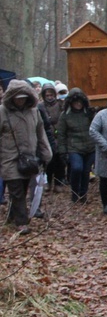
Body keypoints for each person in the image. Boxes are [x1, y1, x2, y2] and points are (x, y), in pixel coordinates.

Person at [0, 79, 52, 234]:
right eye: (18, 97)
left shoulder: (34, 111)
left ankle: (12, 215)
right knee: (16, 189)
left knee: (22, 190)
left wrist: (46, 152)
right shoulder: (2, 112)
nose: (21, 100)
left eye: (23, 96)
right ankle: (21, 222)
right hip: (9, 157)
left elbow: (40, 133)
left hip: (29, 158)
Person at [57, 88, 96, 204]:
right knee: (76, 168)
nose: (78, 104)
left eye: (80, 101)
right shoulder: (65, 116)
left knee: (86, 171)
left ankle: (83, 194)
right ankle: (75, 193)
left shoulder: (89, 113)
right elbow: (61, 134)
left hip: (90, 147)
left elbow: (96, 127)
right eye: (76, 102)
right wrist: (62, 151)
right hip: (74, 148)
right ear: (71, 102)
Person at [40, 83, 65, 192]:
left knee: (60, 159)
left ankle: (59, 182)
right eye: (47, 95)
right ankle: (48, 181)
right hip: (46, 135)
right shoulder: (40, 107)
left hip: (59, 134)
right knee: (49, 160)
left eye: (51, 95)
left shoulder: (60, 104)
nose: (50, 97)